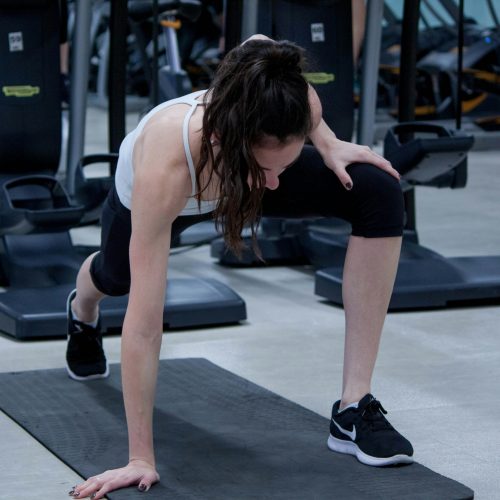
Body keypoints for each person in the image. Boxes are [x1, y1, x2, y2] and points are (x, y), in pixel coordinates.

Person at [67, 35, 413, 499]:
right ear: (220, 137)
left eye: (282, 168)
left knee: (376, 189)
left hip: (234, 173)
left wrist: (327, 142)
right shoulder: (164, 169)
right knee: (118, 279)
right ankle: (81, 308)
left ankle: (352, 407)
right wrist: (140, 459)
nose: (273, 185)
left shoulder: (287, 103)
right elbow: (146, 326)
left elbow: (260, 44)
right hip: (171, 192)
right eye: (266, 170)